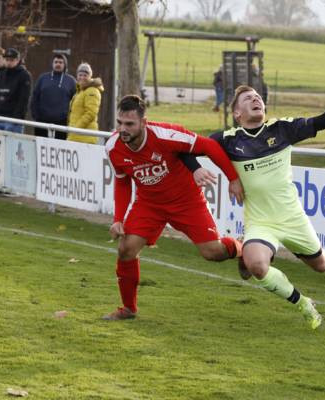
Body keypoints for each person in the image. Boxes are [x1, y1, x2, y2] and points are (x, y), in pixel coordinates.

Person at [204, 78, 325, 329]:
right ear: (237, 114)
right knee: (257, 265)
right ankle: (304, 303)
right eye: (248, 99)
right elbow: (188, 149)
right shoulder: (227, 139)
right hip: (260, 222)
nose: (255, 99)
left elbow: (323, 121)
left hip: (292, 218)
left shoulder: (282, 128)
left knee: (320, 266)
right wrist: (231, 176)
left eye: (258, 97)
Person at [103, 95, 245, 321]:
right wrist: (118, 218)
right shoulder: (112, 147)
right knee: (126, 249)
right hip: (149, 204)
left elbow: (208, 145)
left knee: (213, 253)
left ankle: (241, 247)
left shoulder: (166, 135)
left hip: (186, 201)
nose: (123, 129)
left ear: (144, 122)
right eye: (119, 123)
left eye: (129, 124)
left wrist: (233, 179)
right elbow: (122, 181)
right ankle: (128, 309)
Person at [31, 53, 76, 139]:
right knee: (40, 145)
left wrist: (69, 119)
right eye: (56, 62)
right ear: (52, 64)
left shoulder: (71, 81)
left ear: (64, 65)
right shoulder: (43, 78)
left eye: (60, 62)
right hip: (42, 121)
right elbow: (35, 97)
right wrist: (36, 115)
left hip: (62, 122)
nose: (58, 64)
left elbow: (74, 101)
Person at [0, 48, 31, 133]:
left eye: (11, 60)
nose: (9, 62)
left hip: (13, 121)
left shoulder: (24, 75)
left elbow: (24, 99)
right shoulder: (2, 74)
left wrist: (16, 118)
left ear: (17, 60)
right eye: (7, 60)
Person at [67, 62, 103, 143]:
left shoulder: (92, 90)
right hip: (76, 136)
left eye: (85, 75)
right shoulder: (80, 91)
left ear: (90, 76)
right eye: (80, 75)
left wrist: (76, 128)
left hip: (85, 137)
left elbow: (91, 113)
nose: (82, 77)